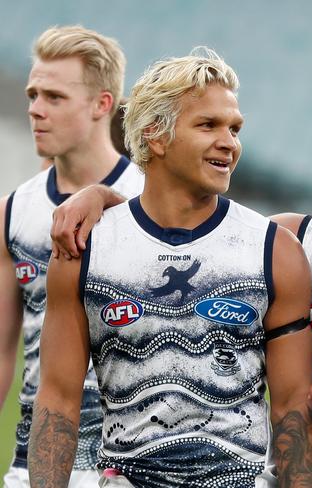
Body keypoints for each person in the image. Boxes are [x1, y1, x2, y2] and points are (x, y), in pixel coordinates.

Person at [28, 47, 312, 488]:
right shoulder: (85, 249)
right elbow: (58, 400)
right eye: (208, 125)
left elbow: (293, 410)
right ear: (156, 136)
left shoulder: (275, 251)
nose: (230, 142)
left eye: (235, 128)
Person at [0, 25, 144, 487]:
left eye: (54, 97)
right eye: (33, 94)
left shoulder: (152, 200)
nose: (35, 110)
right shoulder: (12, 212)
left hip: (127, 468)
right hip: (35, 465)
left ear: (102, 104)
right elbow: (2, 352)